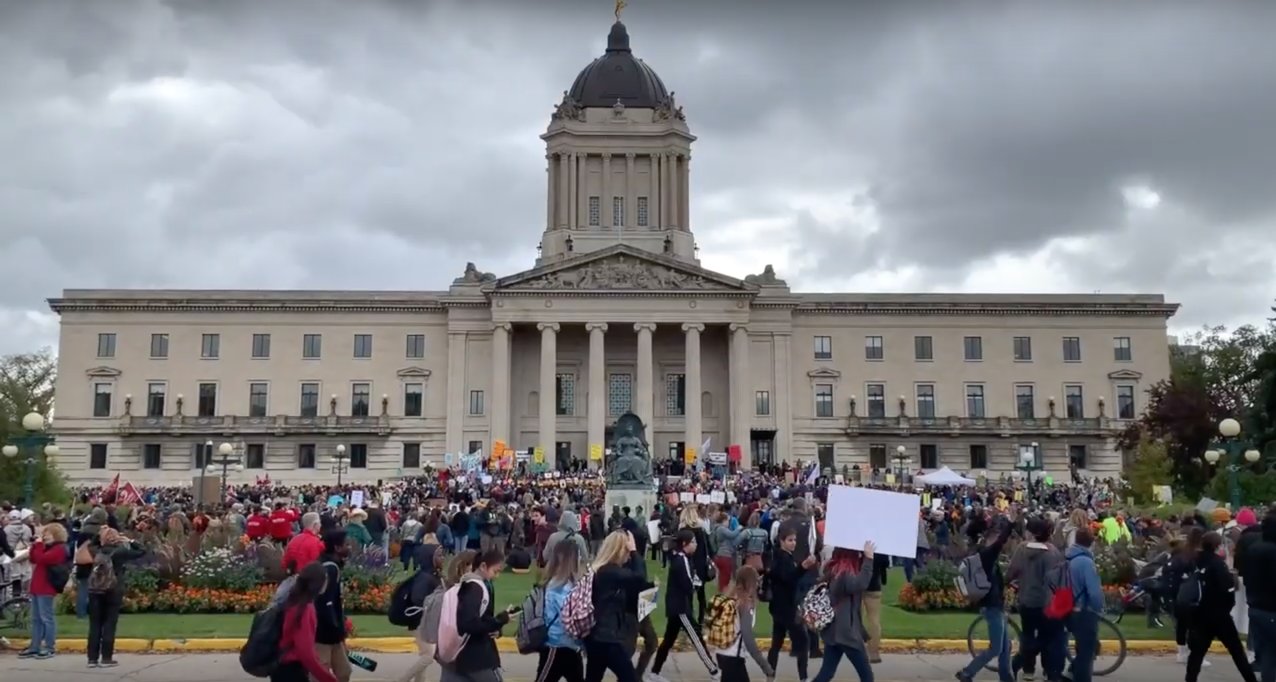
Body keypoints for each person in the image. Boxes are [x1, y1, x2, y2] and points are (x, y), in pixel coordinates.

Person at [1184, 532, 1259, 682]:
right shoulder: (1218, 564)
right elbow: (1227, 589)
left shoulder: (1196, 561)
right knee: (1237, 651)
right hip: (1219, 614)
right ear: (1218, 546)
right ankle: (1250, 679)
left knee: (1197, 653)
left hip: (1200, 613)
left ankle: (1190, 679)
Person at [649, 529, 719, 682]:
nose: (696, 545)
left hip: (676, 606)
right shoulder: (682, 561)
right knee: (696, 638)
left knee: (668, 640)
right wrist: (697, 584)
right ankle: (713, 669)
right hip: (680, 607)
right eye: (693, 542)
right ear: (685, 544)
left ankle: (655, 672)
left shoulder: (681, 558)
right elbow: (688, 585)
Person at [584, 530, 652, 682]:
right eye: (626, 551)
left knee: (593, 678)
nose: (628, 555)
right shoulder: (610, 572)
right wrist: (634, 551)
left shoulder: (601, 570)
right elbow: (639, 577)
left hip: (596, 636)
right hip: (607, 638)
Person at [956, 515, 1014, 682]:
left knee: (1005, 646)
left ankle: (1006, 677)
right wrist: (1010, 523)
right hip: (992, 606)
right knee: (996, 648)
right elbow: (1000, 542)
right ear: (989, 538)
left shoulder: (982, 555)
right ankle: (967, 672)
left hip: (994, 605)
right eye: (994, 537)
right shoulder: (986, 556)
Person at [1007, 517, 1065, 682]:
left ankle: (1028, 669)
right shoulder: (1053, 552)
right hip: (1047, 602)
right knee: (1047, 637)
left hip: (1026, 600)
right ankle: (1048, 669)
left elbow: (1012, 571)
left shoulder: (1021, 549)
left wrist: (1011, 581)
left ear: (1031, 533)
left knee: (1028, 634)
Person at [442, 548, 512, 682]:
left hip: (460, 653)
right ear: (483, 566)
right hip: (475, 654)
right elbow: (470, 623)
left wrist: (496, 625)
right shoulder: (476, 588)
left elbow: (481, 617)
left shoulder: (469, 585)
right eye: (495, 571)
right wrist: (498, 621)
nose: (496, 576)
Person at [811, 545, 877, 682]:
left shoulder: (834, 570)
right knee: (866, 676)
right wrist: (869, 559)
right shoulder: (844, 574)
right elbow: (861, 584)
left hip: (834, 631)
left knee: (826, 673)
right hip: (846, 633)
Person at [86, 527, 145, 668]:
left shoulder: (96, 551)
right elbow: (142, 550)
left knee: (95, 625)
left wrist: (100, 534)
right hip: (113, 589)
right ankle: (106, 658)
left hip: (95, 590)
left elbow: (90, 544)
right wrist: (129, 540)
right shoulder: (120, 552)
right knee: (109, 624)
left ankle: (92, 659)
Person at [273, 562, 340, 682]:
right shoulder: (305, 609)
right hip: (292, 670)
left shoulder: (292, 601)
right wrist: (328, 678)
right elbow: (306, 652)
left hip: (280, 666)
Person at [765, 527, 813, 682]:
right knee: (803, 642)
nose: (793, 543)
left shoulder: (779, 556)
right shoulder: (783, 558)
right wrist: (802, 567)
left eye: (794, 540)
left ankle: (770, 675)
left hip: (778, 607)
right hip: (787, 607)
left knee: (776, 643)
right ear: (782, 541)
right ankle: (803, 677)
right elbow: (788, 579)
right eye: (790, 540)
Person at [535, 539, 586, 682]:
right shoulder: (560, 587)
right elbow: (570, 616)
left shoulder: (556, 584)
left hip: (564, 646)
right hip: (557, 646)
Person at [712, 566, 774, 682]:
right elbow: (748, 639)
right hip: (733, 658)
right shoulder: (746, 605)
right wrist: (766, 667)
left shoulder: (730, 599)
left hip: (721, 653)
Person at [396, 547, 447, 682]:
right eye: (439, 555)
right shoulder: (425, 577)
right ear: (429, 558)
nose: (443, 558)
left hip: (427, 622)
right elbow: (418, 598)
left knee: (426, 655)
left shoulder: (433, 575)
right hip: (420, 622)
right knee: (428, 656)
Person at [20, 522, 69, 660]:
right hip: (37, 585)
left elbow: (43, 559)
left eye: (47, 533)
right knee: (36, 618)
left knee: (46, 617)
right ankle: (34, 646)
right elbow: (34, 557)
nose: (44, 536)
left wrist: (39, 546)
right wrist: (35, 545)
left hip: (47, 587)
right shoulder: (46, 547)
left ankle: (49, 647)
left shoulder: (59, 549)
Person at [1240, 508, 1276, 682]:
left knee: (1269, 655)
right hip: (1271, 608)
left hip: (1256, 606)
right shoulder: (1272, 552)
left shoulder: (1254, 548)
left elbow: (1246, 575)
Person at [1064, 527, 1104, 682]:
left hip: (1068, 608)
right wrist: (1099, 608)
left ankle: (1070, 674)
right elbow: (1094, 592)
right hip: (1084, 611)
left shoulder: (1067, 558)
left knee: (1085, 648)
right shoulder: (1086, 562)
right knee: (1086, 654)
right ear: (1091, 542)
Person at [1168, 527, 1210, 666]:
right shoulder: (1199, 555)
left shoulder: (1180, 554)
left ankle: (1181, 652)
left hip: (1178, 593)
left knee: (1182, 624)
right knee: (1196, 626)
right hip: (1194, 595)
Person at [315, 530, 352, 682]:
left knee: (344, 672)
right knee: (321, 673)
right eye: (346, 544)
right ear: (337, 548)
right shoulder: (330, 568)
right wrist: (336, 627)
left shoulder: (331, 565)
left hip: (334, 633)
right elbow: (324, 602)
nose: (349, 547)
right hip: (324, 633)